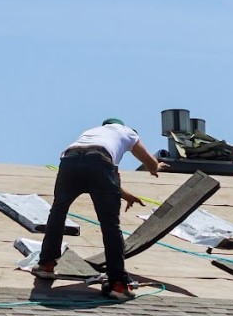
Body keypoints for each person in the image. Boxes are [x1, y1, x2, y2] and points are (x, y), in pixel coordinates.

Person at [35, 118, 168, 300]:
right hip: (100, 163)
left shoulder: (93, 133)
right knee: (110, 225)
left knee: (58, 212)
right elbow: (142, 163)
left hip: (70, 161)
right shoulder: (128, 132)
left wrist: (126, 195)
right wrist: (155, 167)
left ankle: (47, 265)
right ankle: (117, 284)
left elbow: (101, 173)